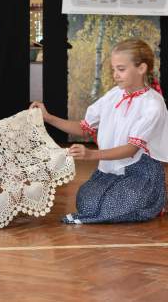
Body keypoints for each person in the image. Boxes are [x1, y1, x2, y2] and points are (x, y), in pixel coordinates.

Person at [31, 38, 168, 224]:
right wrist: (48, 117)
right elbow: (84, 128)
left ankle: (156, 198)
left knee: (116, 204)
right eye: (113, 69)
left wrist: (91, 155)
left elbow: (131, 149)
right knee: (86, 202)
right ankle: (136, 204)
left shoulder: (153, 104)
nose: (115, 75)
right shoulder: (114, 95)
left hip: (140, 172)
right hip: (110, 170)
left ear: (142, 68)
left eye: (121, 69)